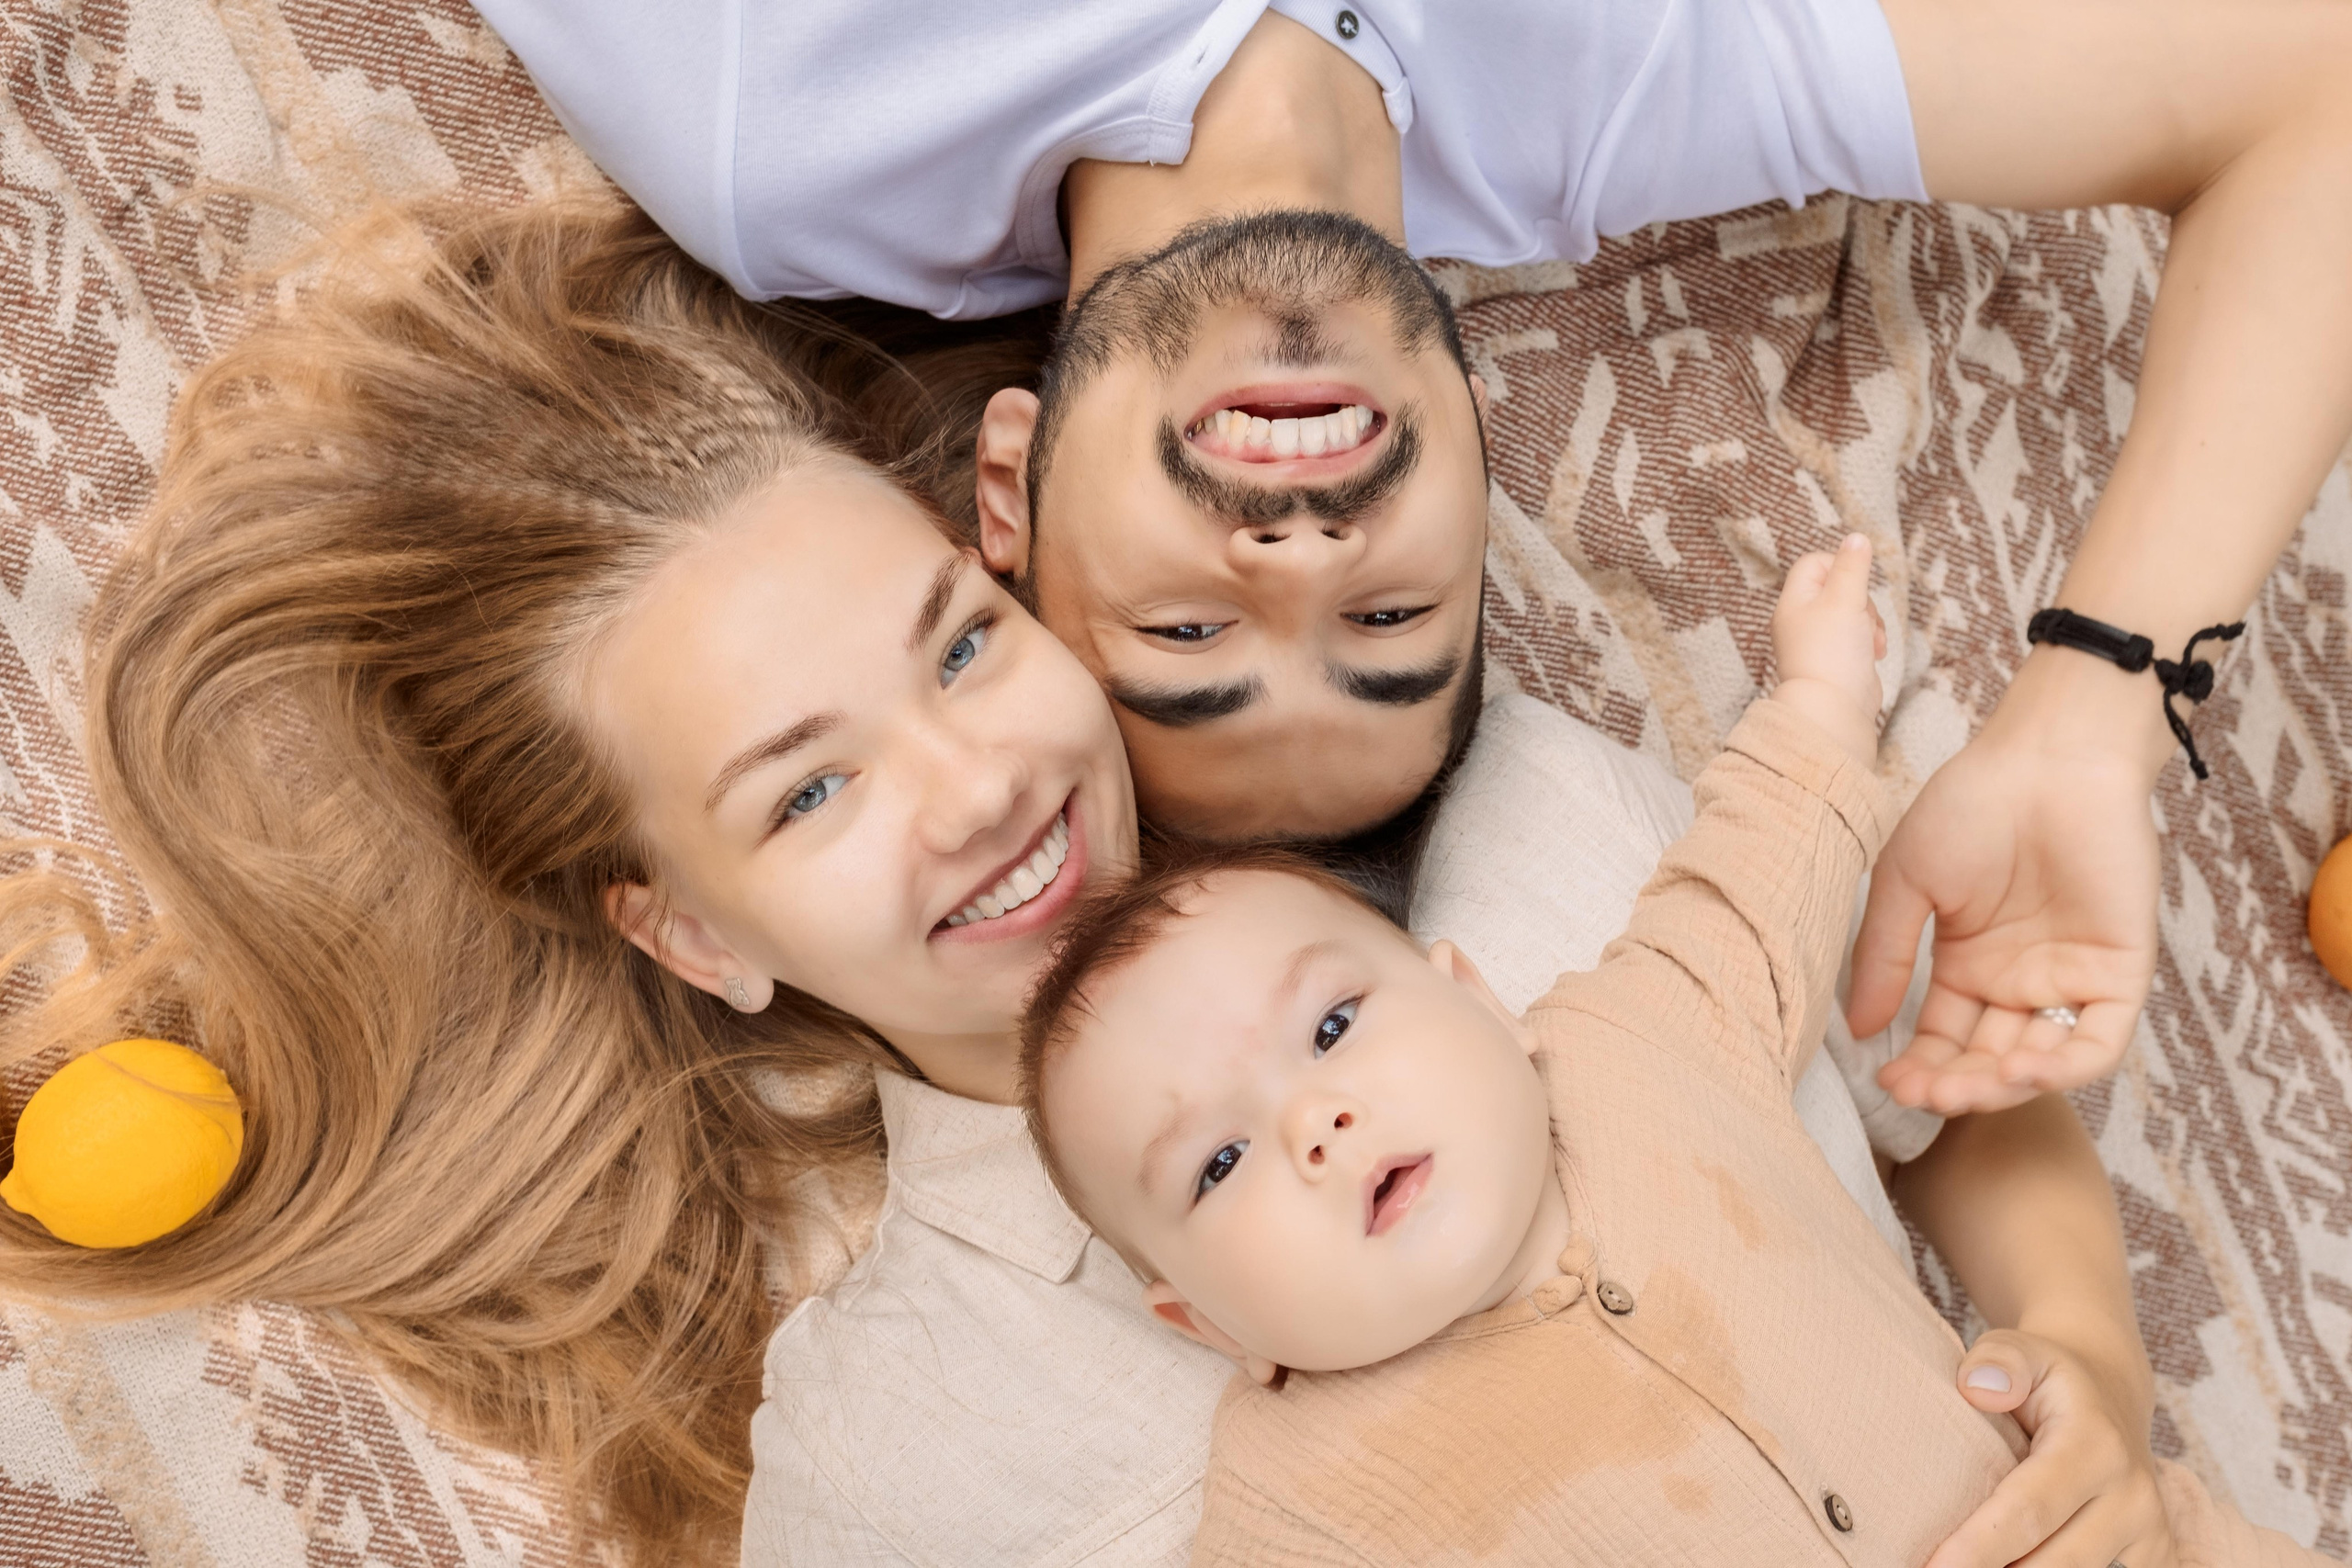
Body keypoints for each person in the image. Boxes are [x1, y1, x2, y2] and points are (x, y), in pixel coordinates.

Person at [0, 201, 2152, 1568]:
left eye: (953, 643)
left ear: (1008, 549)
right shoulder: (914, 1457)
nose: (980, 782)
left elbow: (1933, 1084)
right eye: (807, 789)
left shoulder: (1519, 807)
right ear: (691, 928)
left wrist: (2083, 1364)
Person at [477, 0, 2352, 1111]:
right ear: (1472, 457)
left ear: (1010, 493)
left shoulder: (790, 137)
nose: (1293, 549)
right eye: (1389, 614)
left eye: (1186, 623)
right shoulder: (1612, 95)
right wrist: (2089, 713)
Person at [1019, 538, 2321, 1567]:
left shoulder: (1631, 1041)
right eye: (1222, 1159)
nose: (1318, 1123)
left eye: (1333, 1026)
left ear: (1471, 995)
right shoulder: (1292, 1513)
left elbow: (1748, 885)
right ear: (1205, 1321)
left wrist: (1818, 697)